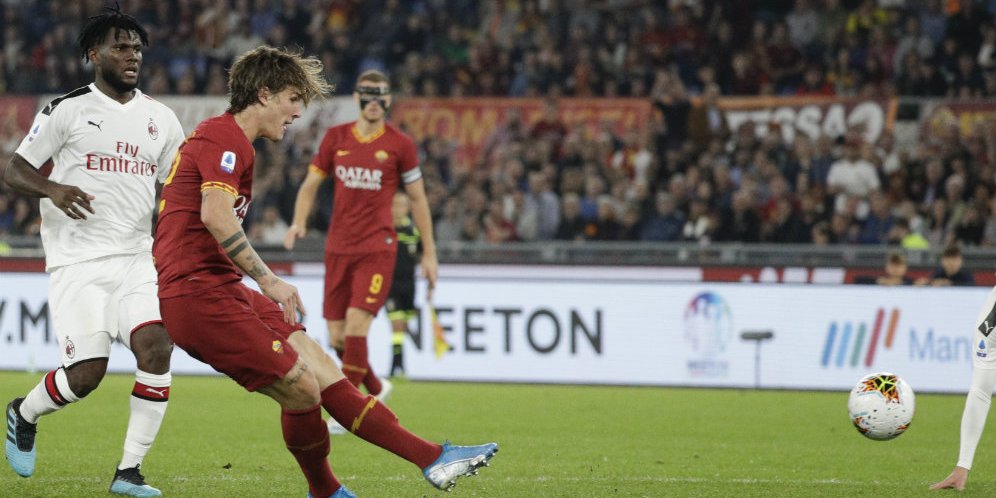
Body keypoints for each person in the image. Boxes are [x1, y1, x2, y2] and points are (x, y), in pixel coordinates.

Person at [154, 46, 496, 498]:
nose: (298, 112)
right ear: (264, 94)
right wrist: (269, 279)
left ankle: (432, 457)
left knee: (320, 365)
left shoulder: (233, 142)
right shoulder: (224, 138)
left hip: (222, 285)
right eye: (293, 99)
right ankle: (325, 491)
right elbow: (216, 215)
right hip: (197, 294)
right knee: (301, 387)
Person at [3, 7, 184, 497]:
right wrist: (53, 189)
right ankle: (24, 413)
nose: (132, 55)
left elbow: (177, 186)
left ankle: (129, 472)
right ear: (94, 54)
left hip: (135, 258)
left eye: (137, 47)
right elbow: (15, 169)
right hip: (77, 261)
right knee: (86, 375)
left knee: (157, 348)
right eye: (120, 47)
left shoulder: (161, 119)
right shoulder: (67, 109)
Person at [284, 69, 438, 425]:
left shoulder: (400, 144)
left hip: (377, 248)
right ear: (357, 98)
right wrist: (298, 221)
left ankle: (348, 413)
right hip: (338, 248)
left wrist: (429, 252)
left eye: (380, 95)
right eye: (367, 94)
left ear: (388, 100)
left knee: (356, 326)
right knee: (338, 336)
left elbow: (418, 199)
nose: (374, 101)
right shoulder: (336, 137)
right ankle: (376, 386)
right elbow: (310, 184)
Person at [931, 284, 996, 491]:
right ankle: (961, 469)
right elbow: (981, 391)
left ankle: (961, 469)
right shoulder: (988, 331)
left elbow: (981, 392)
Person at [385, 191, 422, 377]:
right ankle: (395, 368)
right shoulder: (385, 231)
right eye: (394, 205)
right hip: (390, 286)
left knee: (401, 328)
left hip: (409, 286)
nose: (397, 209)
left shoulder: (414, 232)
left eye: (401, 205)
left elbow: (423, 255)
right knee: (397, 324)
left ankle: (399, 367)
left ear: (407, 208)